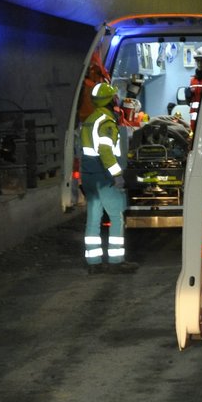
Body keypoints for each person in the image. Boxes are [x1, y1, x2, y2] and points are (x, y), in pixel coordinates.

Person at [79, 81, 133, 272]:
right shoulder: (106, 122)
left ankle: (93, 263)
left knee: (93, 218)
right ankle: (116, 261)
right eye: (115, 97)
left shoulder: (90, 119)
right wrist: (117, 174)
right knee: (116, 217)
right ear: (110, 100)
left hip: (89, 176)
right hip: (104, 177)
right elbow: (105, 151)